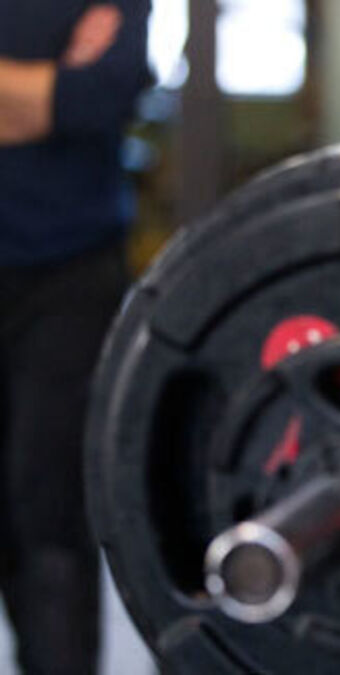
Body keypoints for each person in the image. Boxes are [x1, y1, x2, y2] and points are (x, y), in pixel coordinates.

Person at [0, 1, 150, 672]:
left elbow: (100, 97)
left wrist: (66, 97)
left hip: (70, 271)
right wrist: (45, 89)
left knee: (53, 514)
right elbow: (67, 99)